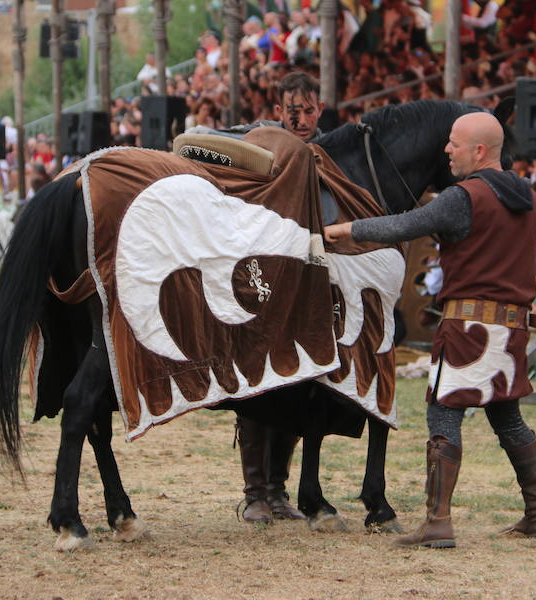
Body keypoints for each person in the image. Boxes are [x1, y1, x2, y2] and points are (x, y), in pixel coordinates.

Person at [324, 112, 536, 548]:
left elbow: (404, 226)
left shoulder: (462, 197)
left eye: (454, 143)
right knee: (508, 419)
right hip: (510, 332)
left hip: (468, 331)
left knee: (444, 415)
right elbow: (532, 264)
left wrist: (346, 228)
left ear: (479, 151)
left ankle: (438, 522)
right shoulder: (531, 198)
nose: (446, 150)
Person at [231, 71, 327, 523]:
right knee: (257, 384)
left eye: (308, 110)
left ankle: (277, 489)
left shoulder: (326, 158)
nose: (301, 118)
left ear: (320, 110)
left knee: (294, 386)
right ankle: (254, 494)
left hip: (307, 288)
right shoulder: (255, 153)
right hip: (262, 280)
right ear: (278, 112)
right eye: (293, 110)